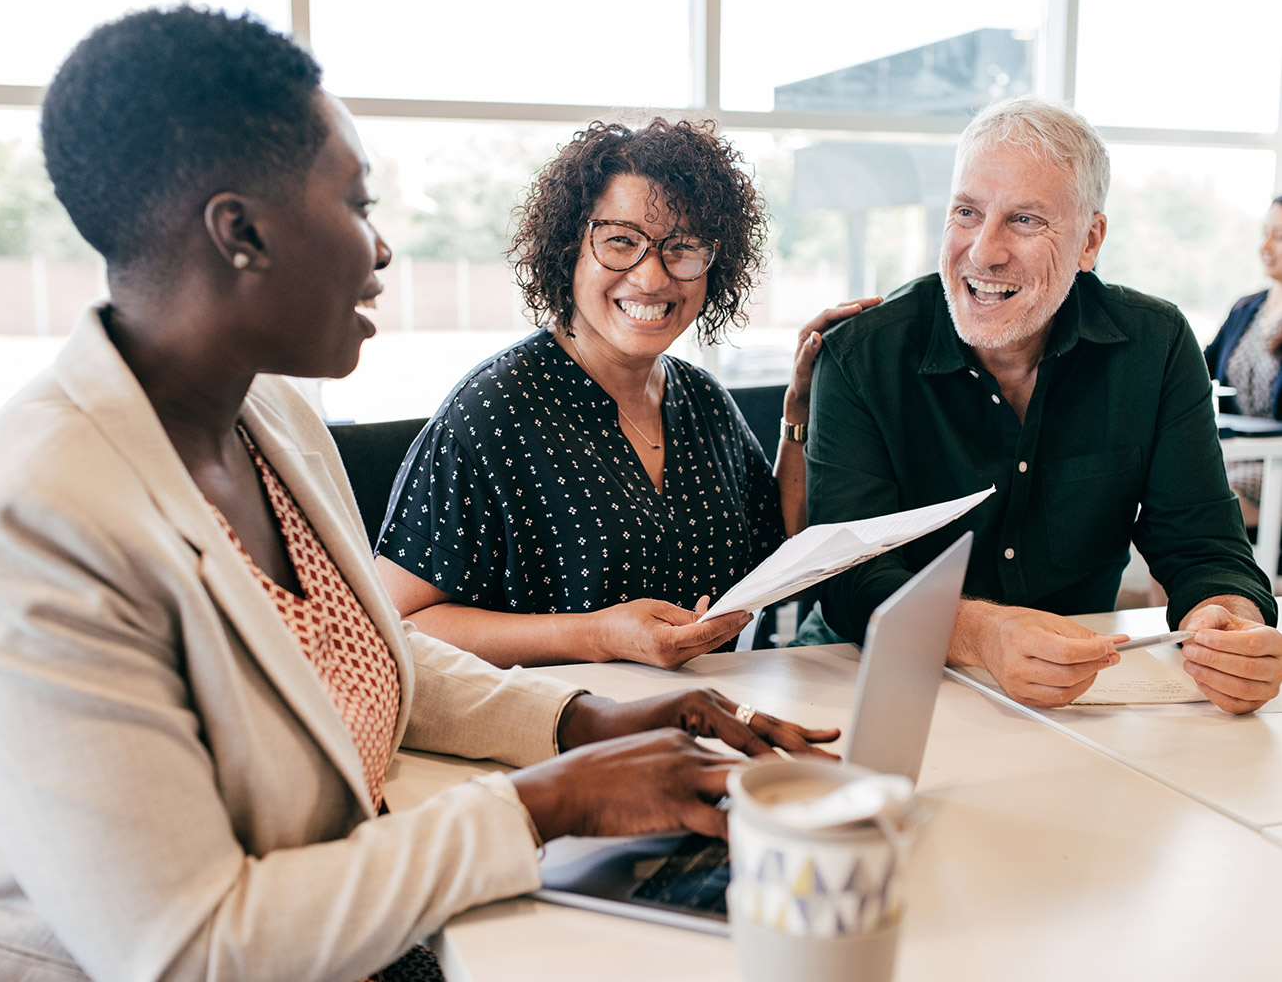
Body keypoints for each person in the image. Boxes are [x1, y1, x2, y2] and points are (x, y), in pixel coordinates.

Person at [0, 7, 840, 982]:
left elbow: (369, 645)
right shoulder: (24, 517)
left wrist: (585, 722)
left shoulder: (270, 418)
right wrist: (550, 801)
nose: (380, 253)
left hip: (359, 926)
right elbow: (192, 948)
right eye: (357, 205)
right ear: (240, 230)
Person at [806, 95, 1282, 715]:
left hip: (1079, 692)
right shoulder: (861, 357)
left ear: (1089, 241)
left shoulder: (1156, 345)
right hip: (872, 675)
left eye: (1025, 220)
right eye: (966, 212)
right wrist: (982, 635)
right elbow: (852, 577)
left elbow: (1204, 547)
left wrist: (1231, 623)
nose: (983, 251)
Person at [376, 117, 874, 668]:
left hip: (705, 719)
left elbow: (779, 546)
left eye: (682, 248)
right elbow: (400, 623)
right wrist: (595, 635)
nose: (653, 277)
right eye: (621, 241)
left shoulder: (702, 400)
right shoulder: (493, 411)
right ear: (569, 249)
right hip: (559, 733)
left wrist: (799, 410)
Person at [1205, 195, 1282, 528]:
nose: (1265, 245)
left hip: (1276, 462)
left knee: (1196, 517)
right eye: (1264, 233)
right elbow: (1197, 369)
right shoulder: (1245, 308)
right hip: (1235, 452)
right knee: (1164, 508)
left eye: (1279, 236)